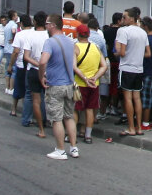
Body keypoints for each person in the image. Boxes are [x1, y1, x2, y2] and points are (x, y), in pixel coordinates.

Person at [39, 13, 79, 160]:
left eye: (47, 23)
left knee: (56, 119)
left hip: (55, 84)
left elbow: (43, 61)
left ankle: (60, 149)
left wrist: (41, 75)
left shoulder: (50, 42)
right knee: (69, 117)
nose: (46, 26)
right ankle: (74, 147)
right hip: (69, 84)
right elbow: (77, 52)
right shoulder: (69, 41)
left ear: (53, 25)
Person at [115, 7, 150, 137]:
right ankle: (139, 127)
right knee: (137, 97)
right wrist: (137, 54)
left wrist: (117, 53)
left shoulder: (124, 31)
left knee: (127, 98)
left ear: (131, 18)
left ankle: (131, 127)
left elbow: (122, 52)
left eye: (124, 17)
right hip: (138, 68)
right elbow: (148, 53)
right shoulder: (143, 33)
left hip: (127, 67)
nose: (123, 19)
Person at [73, 23, 107, 144]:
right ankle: (88, 136)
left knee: (76, 109)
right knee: (90, 109)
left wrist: (85, 78)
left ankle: (72, 135)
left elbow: (74, 67)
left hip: (80, 84)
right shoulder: (96, 47)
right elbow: (104, 66)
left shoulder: (76, 47)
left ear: (78, 34)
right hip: (94, 84)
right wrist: (94, 77)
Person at [21, 11, 50, 136]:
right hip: (48, 71)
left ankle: (40, 129)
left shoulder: (31, 36)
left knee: (36, 100)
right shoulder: (49, 36)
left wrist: (37, 64)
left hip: (33, 70)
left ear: (35, 22)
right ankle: (45, 121)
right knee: (46, 99)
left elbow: (26, 56)